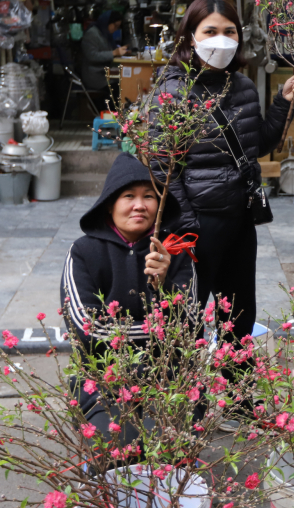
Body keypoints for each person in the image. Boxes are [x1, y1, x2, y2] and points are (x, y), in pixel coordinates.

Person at [154, 0, 294, 354]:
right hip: (196, 226)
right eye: (210, 31)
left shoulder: (244, 87)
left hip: (238, 222)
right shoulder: (173, 91)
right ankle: (185, 402)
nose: (220, 39)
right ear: (190, 37)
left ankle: (236, 394)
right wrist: (188, 225)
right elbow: (163, 166)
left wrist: (282, 101)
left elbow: (256, 144)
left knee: (239, 315)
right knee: (185, 320)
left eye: (229, 31)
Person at [60, 152, 196, 430]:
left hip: (167, 377)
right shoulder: (83, 252)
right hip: (102, 379)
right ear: (110, 204)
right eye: (128, 197)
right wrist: (154, 332)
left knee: (164, 447)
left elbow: (192, 328)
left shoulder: (177, 251)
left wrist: (165, 283)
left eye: (148, 196)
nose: (139, 206)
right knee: (119, 449)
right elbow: (87, 330)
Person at [80, 10, 128, 92]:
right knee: (120, 87)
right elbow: (92, 56)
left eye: (118, 27)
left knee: (125, 81)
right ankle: (108, 105)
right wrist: (114, 53)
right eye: (115, 26)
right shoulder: (92, 33)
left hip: (104, 72)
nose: (116, 29)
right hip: (94, 76)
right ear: (107, 22)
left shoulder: (105, 34)